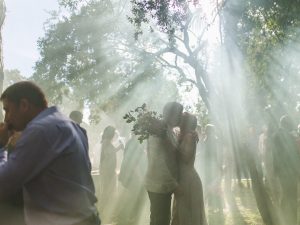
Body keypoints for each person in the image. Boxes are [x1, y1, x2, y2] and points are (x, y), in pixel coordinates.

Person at [0, 81, 100, 225]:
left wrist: (2, 146)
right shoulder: (69, 124)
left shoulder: (39, 130)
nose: (6, 119)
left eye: (7, 110)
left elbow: (3, 184)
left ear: (24, 105)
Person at [144, 102, 183, 225]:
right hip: (159, 183)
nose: (181, 117)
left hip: (160, 183)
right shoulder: (160, 131)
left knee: (158, 218)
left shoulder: (167, 130)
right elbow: (162, 160)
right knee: (161, 220)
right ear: (172, 114)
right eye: (179, 114)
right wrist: (175, 183)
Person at [171, 112, 207, 225]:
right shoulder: (184, 136)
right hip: (183, 178)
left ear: (186, 123)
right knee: (181, 213)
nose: (179, 121)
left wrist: (173, 145)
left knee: (187, 215)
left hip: (188, 180)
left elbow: (186, 158)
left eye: (181, 119)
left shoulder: (189, 137)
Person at [272, 115, 300, 225]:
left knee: (285, 194)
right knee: (291, 195)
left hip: (282, 170)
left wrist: (275, 169)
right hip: (291, 170)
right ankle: (291, 218)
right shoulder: (292, 136)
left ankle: (283, 215)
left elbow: (274, 154)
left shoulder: (275, 136)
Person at [118, 134, 147, 225]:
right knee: (134, 199)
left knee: (133, 198)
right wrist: (141, 178)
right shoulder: (135, 143)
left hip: (131, 176)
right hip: (133, 177)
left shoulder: (132, 142)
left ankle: (126, 218)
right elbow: (134, 164)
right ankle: (125, 219)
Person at [99, 126, 123, 224]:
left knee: (108, 192)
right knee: (107, 192)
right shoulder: (106, 142)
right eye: (113, 133)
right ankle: (102, 214)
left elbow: (109, 154)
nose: (114, 135)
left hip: (108, 171)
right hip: (107, 171)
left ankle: (104, 214)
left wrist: (118, 148)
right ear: (111, 134)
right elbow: (107, 155)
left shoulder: (106, 142)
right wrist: (119, 148)